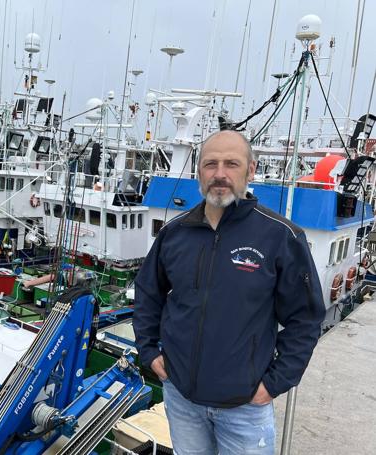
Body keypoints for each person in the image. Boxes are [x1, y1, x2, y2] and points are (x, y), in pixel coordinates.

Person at [133, 130, 326, 454]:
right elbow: (147, 294)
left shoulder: (281, 237)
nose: (220, 174)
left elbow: (305, 319)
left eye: (231, 164)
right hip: (182, 400)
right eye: (210, 164)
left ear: (250, 170)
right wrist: (149, 353)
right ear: (199, 172)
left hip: (245, 408)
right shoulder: (174, 234)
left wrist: (273, 384)